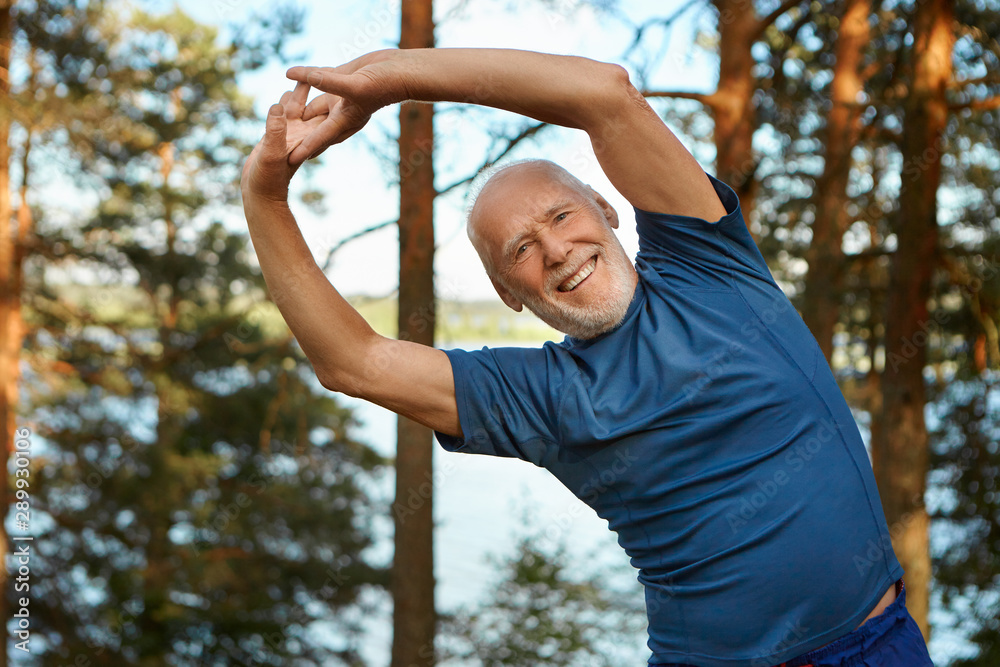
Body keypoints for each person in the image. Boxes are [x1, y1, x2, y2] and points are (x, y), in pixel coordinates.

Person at [241, 48, 934, 667]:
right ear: (507, 292)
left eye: (561, 216)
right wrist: (263, 194)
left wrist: (387, 75)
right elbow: (353, 361)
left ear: (605, 206)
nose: (555, 249)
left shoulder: (710, 265)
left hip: (881, 644)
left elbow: (604, 93)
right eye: (519, 250)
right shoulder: (539, 396)